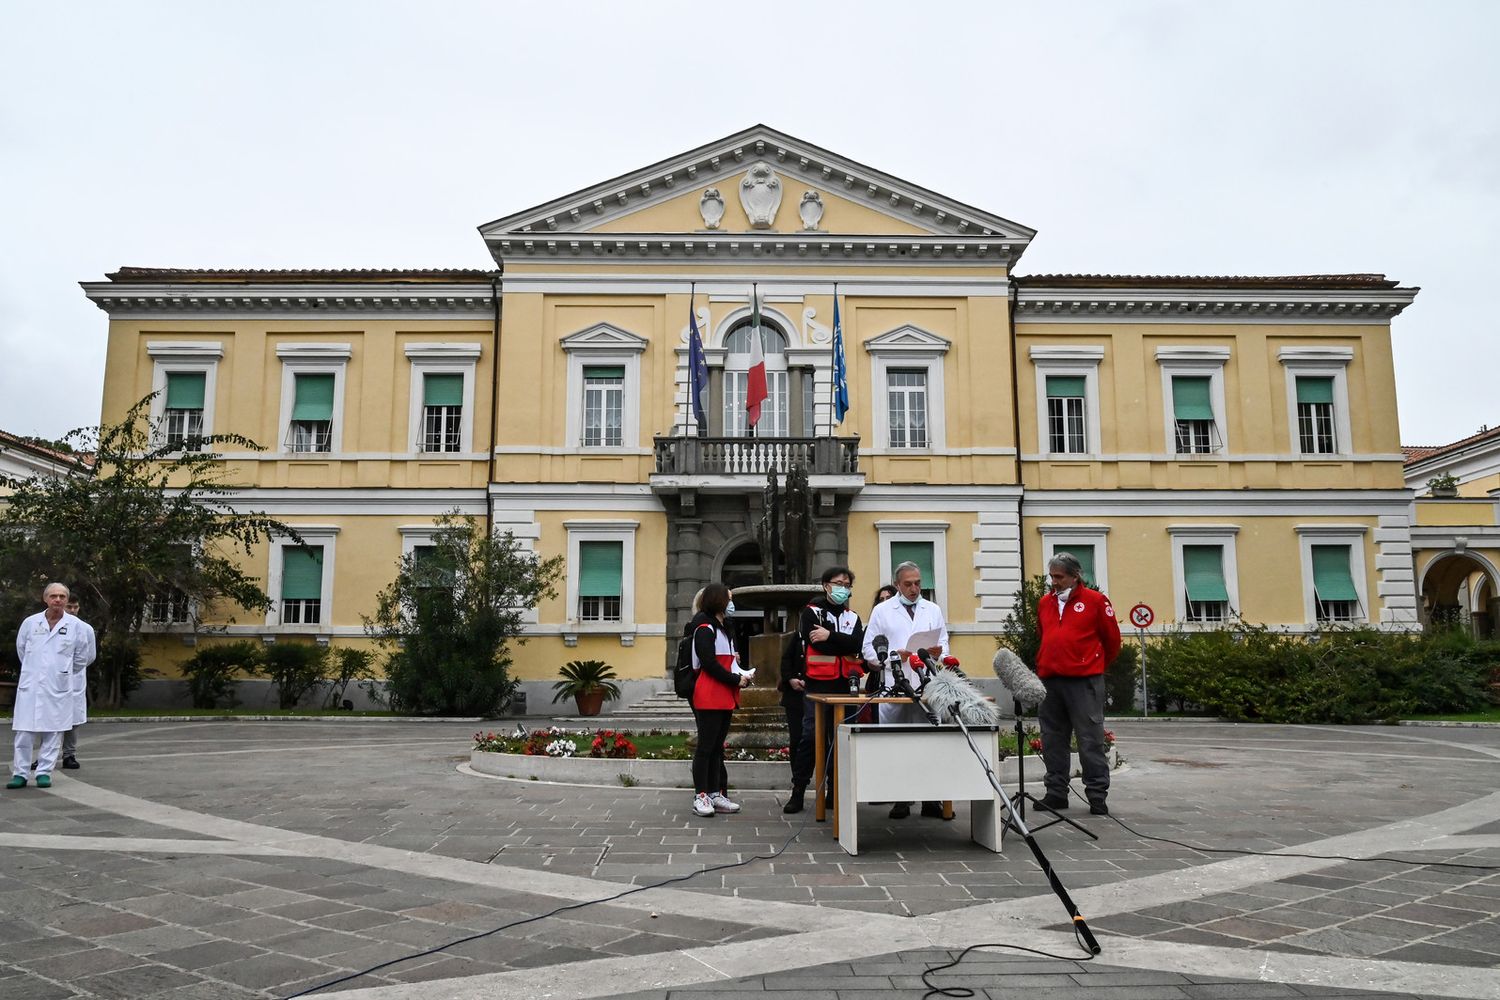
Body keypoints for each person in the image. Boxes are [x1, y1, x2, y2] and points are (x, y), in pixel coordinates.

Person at [1035, 552, 1121, 816]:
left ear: (1075, 576)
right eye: (1052, 576)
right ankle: (1056, 792)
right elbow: (1043, 634)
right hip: (1051, 681)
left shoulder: (1095, 601)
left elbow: (1112, 641)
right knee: (1052, 738)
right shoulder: (1045, 603)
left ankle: (1096, 795)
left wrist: (1092, 666)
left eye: (1059, 577)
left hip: (1084, 682)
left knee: (1090, 739)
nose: (1054, 582)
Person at [862, 562, 949, 819]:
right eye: (908, 584)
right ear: (898, 584)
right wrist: (892, 656)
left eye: (918, 583)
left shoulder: (932, 609)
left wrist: (939, 652)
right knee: (896, 743)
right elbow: (868, 650)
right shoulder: (882, 610)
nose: (914, 588)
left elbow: (944, 642)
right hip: (895, 684)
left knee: (928, 742)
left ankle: (931, 799)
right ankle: (901, 798)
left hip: (926, 683)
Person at [781, 566, 864, 815]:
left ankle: (833, 791)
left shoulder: (853, 617)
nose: (843, 588)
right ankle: (798, 791)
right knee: (811, 736)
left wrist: (830, 635)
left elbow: (857, 644)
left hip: (846, 685)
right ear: (826, 585)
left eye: (847, 584)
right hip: (818, 684)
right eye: (838, 583)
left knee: (841, 739)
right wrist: (840, 642)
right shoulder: (811, 613)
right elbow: (817, 642)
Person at [10, 583, 93, 790]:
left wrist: (61, 672)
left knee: (53, 733)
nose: (58, 600)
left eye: (62, 596)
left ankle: (44, 773)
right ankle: (20, 774)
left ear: (67, 600)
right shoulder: (30, 623)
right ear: (45, 599)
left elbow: (82, 657)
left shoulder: (76, 626)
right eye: (54, 596)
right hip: (31, 686)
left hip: (59, 687)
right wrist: (36, 670)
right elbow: (22, 650)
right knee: (24, 733)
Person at [688, 583, 750, 818]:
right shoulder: (705, 628)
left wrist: (740, 672)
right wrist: (736, 678)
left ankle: (715, 792)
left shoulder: (725, 629)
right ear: (717, 601)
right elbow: (708, 664)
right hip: (710, 693)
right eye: (729, 598)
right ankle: (700, 795)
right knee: (706, 747)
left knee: (716, 747)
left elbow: (724, 662)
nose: (732, 603)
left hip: (724, 693)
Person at [59, 596, 96, 770]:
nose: (72, 610)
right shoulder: (50, 625)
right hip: (52, 678)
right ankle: (45, 756)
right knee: (48, 718)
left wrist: (71, 668)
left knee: (73, 720)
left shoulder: (85, 628)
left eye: (75, 607)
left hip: (75, 678)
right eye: (69, 607)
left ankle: (69, 754)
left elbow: (89, 656)